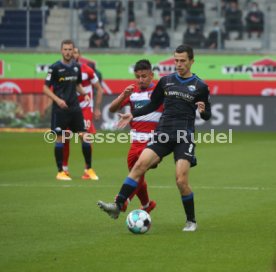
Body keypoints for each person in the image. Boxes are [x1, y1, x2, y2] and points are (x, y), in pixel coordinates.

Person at [97, 44, 211, 232]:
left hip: (184, 136)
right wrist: (133, 115)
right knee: (139, 166)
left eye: (183, 61)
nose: (179, 64)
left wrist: (204, 111)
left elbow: (207, 115)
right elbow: (153, 105)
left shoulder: (200, 86)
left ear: (191, 61)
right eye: (176, 60)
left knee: (181, 180)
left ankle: (191, 220)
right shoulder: (166, 81)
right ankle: (117, 205)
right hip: (163, 133)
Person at [109, 59, 163, 213]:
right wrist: (122, 96)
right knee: (136, 174)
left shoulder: (160, 91)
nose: (141, 80)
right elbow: (112, 109)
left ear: (151, 75)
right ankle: (147, 205)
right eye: (138, 76)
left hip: (153, 142)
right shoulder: (132, 92)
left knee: (139, 171)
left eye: (144, 76)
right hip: (135, 142)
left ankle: (123, 201)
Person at [43, 39, 94, 181]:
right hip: (60, 110)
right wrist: (58, 100)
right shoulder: (54, 68)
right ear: (61, 50)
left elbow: (77, 85)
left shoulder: (76, 67)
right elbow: (45, 88)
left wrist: (84, 94)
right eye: (65, 49)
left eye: (70, 49)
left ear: (73, 51)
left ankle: (89, 169)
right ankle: (60, 172)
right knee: (61, 138)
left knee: (85, 136)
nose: (68, 52)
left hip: (75, 108)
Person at [62, 47, 103, 180]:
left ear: (79, 55)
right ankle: (64, 170)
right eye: (70, 52)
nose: (72, 54)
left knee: (85, 137)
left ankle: (88, 169)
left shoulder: (87, 70)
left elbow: (99, 89)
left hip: (85, 108)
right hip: (69, 108)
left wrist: (96, 108)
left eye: (75, 52)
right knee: (65, 137)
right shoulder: (62, 70)